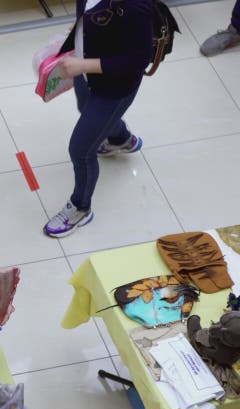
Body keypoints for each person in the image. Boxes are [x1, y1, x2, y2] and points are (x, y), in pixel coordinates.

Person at [43, 0, 153, 238]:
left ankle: (81, 207)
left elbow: (138, 60)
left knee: (80, 150)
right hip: (87, 72)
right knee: (85, 107)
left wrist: (82, 64)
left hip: (113, 88)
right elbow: (90, 15)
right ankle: (119, 138)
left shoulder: (136, 5)